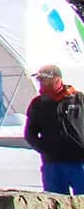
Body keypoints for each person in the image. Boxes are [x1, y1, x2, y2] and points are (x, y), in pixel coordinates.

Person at [26, 64, 84, 194]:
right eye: (40, 80)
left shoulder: (79, 99)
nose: (42, 84)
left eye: (45, 80)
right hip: (53, 164)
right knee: (55, 201)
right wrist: (46, 149)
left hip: (80, 161)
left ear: (57, 80)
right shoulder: (38, 104)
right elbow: (30, 134)